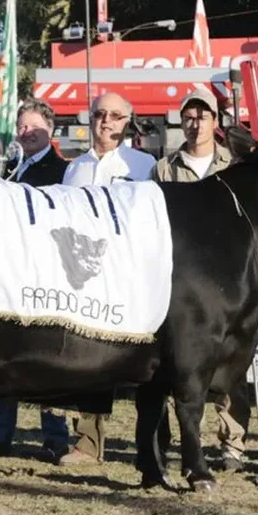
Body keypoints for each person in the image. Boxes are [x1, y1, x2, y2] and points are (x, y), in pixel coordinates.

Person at [150, 87, 248, 472]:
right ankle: (187, 441)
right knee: (182, 365)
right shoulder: (163, 168)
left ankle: (233, 444)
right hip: (180, 280)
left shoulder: (234, 165)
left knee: (230, 363)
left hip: (227, 278)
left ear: (215, 121)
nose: (194, 123)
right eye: (188, 117)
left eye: (202, 116)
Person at [59, 91, 156, 466]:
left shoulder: (144, 163)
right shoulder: (74, 167)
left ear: (127, 122)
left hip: (129, 272)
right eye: (100, 114)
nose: (107, 121)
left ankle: (151, 442)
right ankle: (86, 441)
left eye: (116, 116)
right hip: (84, 277)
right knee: (86, 356)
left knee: (145, 360)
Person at [0, 98, 71, 462]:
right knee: (5, 357)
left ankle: (55, 437)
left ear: (51, 129)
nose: (27, 133)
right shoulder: (5, 168)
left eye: (34, 127)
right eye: (22, 127)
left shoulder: (63, 171)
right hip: (9, 274)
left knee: (48, 358)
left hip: (45, 275)